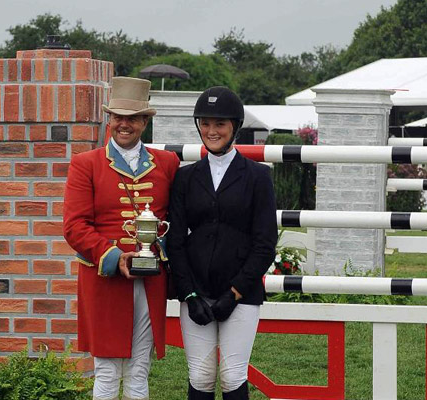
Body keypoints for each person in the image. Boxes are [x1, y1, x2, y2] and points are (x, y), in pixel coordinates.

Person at [63, 77, 180, 400]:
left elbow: (175, 221)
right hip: (104, 278)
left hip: (150, 280)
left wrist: (161, 253)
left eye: (132, 118)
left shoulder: (168, 164)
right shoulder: (85, 164)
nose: (124, 125)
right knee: (106, 370)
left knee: (139, 370)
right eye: (118, 117)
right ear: (109, 120)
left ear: (145, 121)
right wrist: (116, 257)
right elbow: (75, 226)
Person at [167, 87, 278, 400]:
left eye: (220, 125)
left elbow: (265, 241)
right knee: (200, 376)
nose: (211, 131)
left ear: (235, 128)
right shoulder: (185, 177)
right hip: (196, 290)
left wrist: (235, 291)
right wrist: (188, 291)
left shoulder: (258, 176)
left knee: (232, 375)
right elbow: (175, 239)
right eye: (205, 124)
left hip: (241, 292)